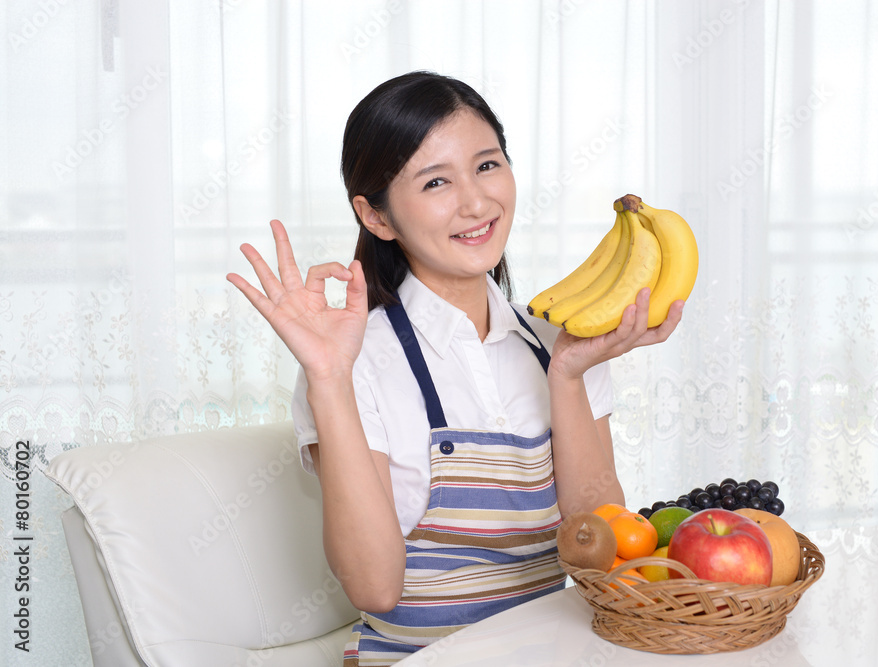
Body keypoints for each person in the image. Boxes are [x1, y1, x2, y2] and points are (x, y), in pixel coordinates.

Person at [227, 70, 683, 666]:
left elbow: (597, 549)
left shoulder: (561, 343)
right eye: (436, 181)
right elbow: (374, 588)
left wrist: (568, 378)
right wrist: (329, 380)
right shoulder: (354, 362)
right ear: (377, 217)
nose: (476, 202)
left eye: (487, 165)